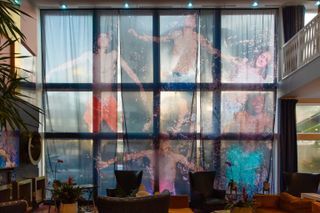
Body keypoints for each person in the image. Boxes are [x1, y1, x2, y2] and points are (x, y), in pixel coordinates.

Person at [47, 33, 146, 132]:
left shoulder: (114, 55)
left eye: (105, 37)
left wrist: (141, 87)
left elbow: (129, 70)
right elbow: (72, 63)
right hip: (96, 99)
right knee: (93, 131)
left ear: (109, 41)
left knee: (118, 130)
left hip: (109, 99)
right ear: (97, 40)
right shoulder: (90, 56)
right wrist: (53, 71)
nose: (102, 39)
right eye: (100, 37)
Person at [97, 134, 202, 194]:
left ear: (168, 145)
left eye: (165, 145)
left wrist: (200, 170)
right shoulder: (150, 154)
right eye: (161, 146)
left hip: (170, 192)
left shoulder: (175, 156)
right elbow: (128, 156)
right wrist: (108, 162)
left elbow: (191, 166)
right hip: (154, 191)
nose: (163, 148)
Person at [128, 14, 219, 82]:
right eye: (187, 18)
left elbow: (211, 50)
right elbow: (159, 39)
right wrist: (138, 36)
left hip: (190, 76)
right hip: (176, 74)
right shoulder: (177, 34)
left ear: (194, 24)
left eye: (191, 18)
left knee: (188, 104)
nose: (188, 19)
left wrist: (229, 58)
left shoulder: (197, 37)